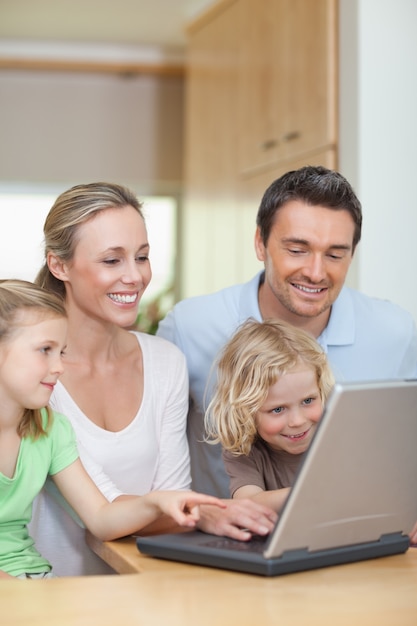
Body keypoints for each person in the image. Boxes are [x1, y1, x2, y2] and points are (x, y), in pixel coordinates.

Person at [29, 182, 276, 577]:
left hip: (144, 586)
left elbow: (171, 493)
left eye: (141, 257)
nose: (135, 277)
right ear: (60, 266)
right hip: (53, 597)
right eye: (112, 261)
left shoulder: (164, 362)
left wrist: (197, 512)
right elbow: (102, 506)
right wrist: (203, 512)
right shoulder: (36, 373)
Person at [157, 165, 417, 499]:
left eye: (335, 254)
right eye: (297, 250)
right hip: (225, 543)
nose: (315, 272)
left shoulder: (394, 332)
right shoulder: (189, 326)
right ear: (260, 244)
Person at [0, 279, 224, 579]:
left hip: (33, 580)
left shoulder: (51, 429)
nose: (59, 367)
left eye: (61, 352)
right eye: (44, 350)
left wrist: (157, 503)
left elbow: (101, 517)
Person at [205, 318, 335, 512]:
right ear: (246, 412)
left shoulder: (338, 433)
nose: (298, 421)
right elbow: (247, 503)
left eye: (308, 401)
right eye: (278, 409)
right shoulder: (245, 451)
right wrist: (316, 492)